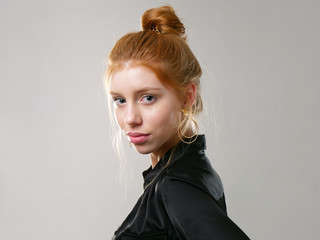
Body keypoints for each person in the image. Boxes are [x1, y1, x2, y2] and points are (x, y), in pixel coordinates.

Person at [105, 5, 250, 240]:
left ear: (187, 96)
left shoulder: (174, 186)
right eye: (120, 100)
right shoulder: (192, 166)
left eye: (148, 98)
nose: (130, 118)